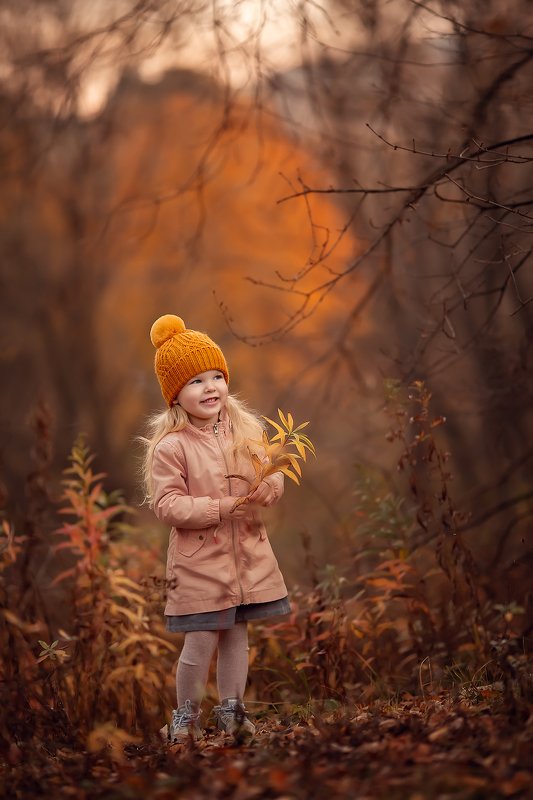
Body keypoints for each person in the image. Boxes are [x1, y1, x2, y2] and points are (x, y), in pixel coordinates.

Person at [142, 314, 290, 743]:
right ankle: (185, 717)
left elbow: (272, 468)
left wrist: (272, 485)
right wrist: (219, 508)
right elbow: (166, 505)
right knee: (202, 638)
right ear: (175, 395)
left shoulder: (247, 431)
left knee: (237, 637)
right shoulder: (172, 447)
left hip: (246, 557)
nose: (210, 388)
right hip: (200, 561)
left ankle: (233, 711)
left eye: (215, 377)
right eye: (195, 382)